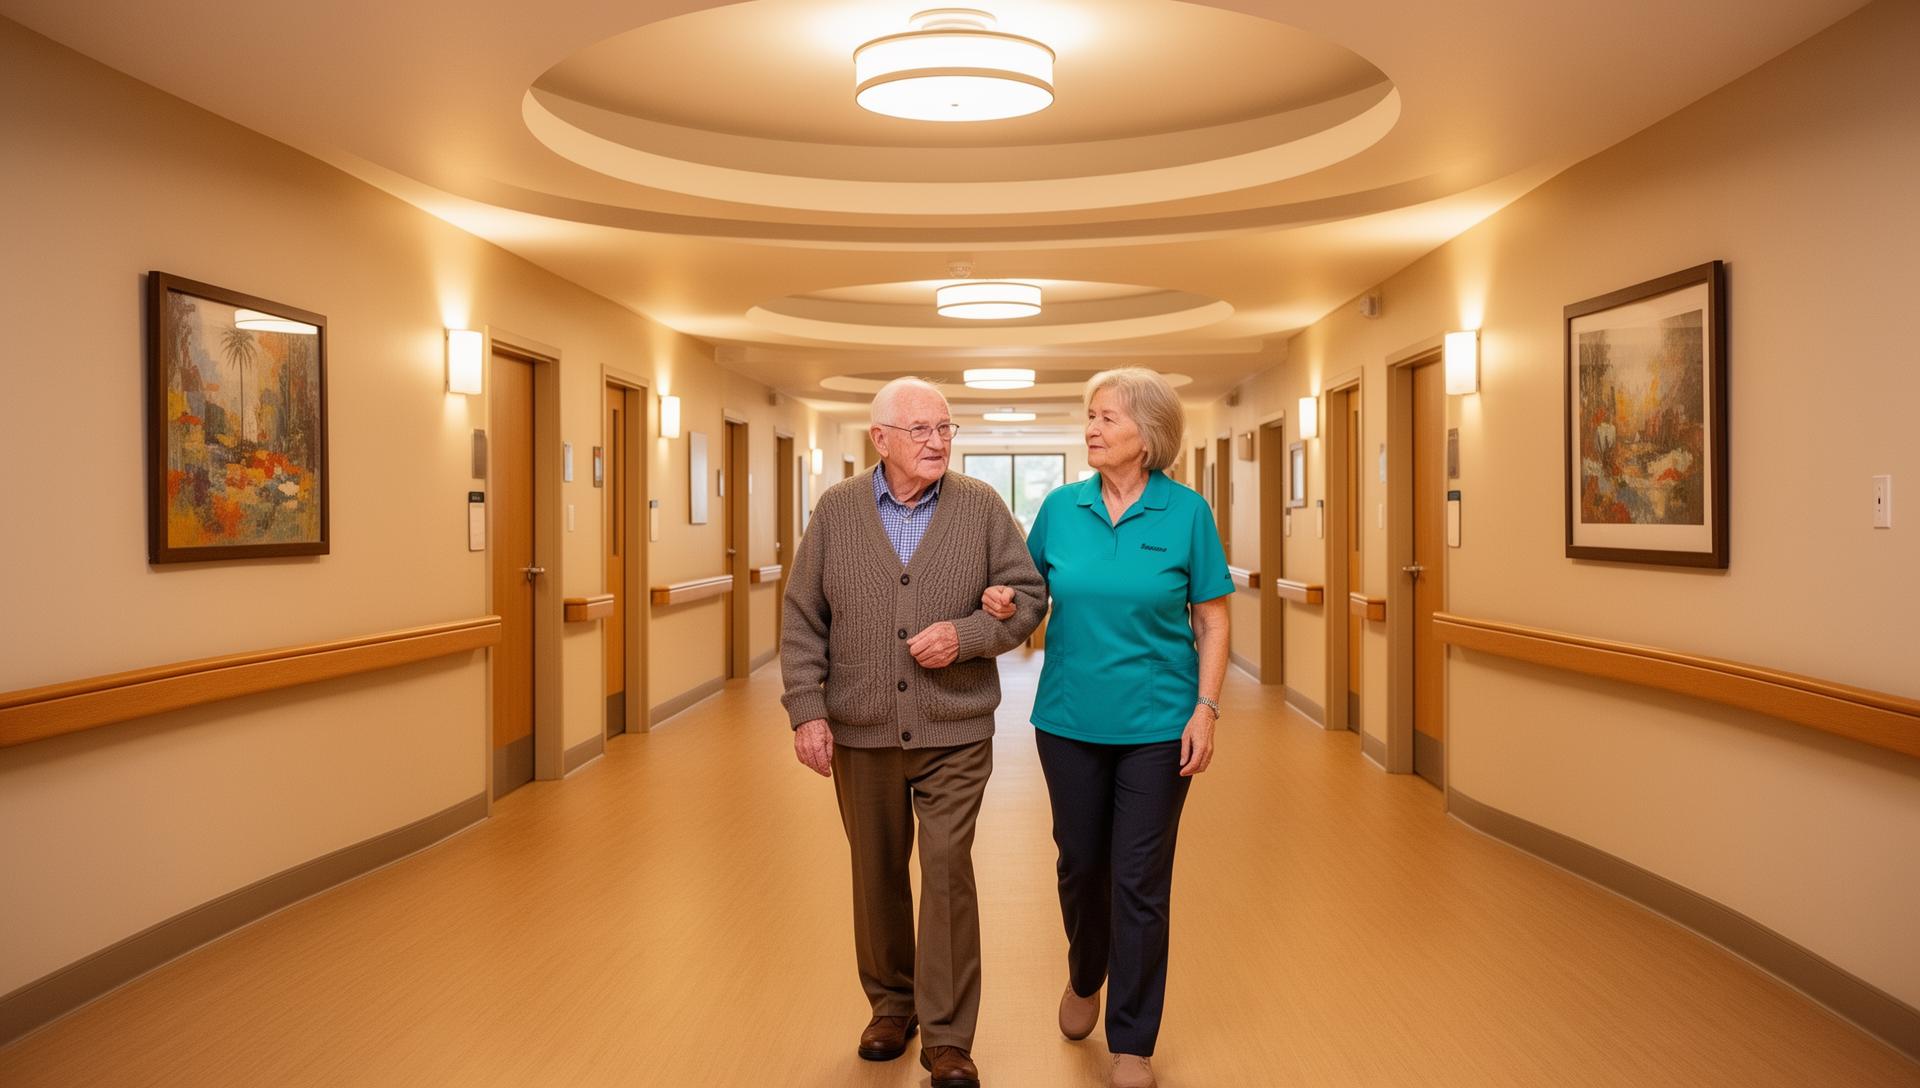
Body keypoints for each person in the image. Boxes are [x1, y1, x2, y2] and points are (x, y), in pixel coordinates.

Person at [781, 377, 1046, 1088]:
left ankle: (950, 1038)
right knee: (876, 873)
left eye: (946, 428)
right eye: (922, 430)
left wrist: (967, 634)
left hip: (953, 728)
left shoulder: (982, 507)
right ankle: (892, 1006)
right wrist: (807, 708)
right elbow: (803, 616)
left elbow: (1027, 597)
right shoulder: (836, 512)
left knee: (949, 869)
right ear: (882, 440)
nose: (938, 442)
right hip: (861, 727)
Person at [983, 367, 1230, 1088]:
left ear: (1148, 436)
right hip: (1068, 720)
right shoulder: (1061, 509)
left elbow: (1212, 618)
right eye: (1090, 417)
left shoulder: (1187, 514)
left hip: (1159, 724)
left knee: (1140, 880)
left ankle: (1133, 1040)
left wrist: (1206, 710)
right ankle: (1085, 971)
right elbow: (1030, 598)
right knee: (1080, 865)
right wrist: (1003, 602)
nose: (1092, 429)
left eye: (1108, 419)